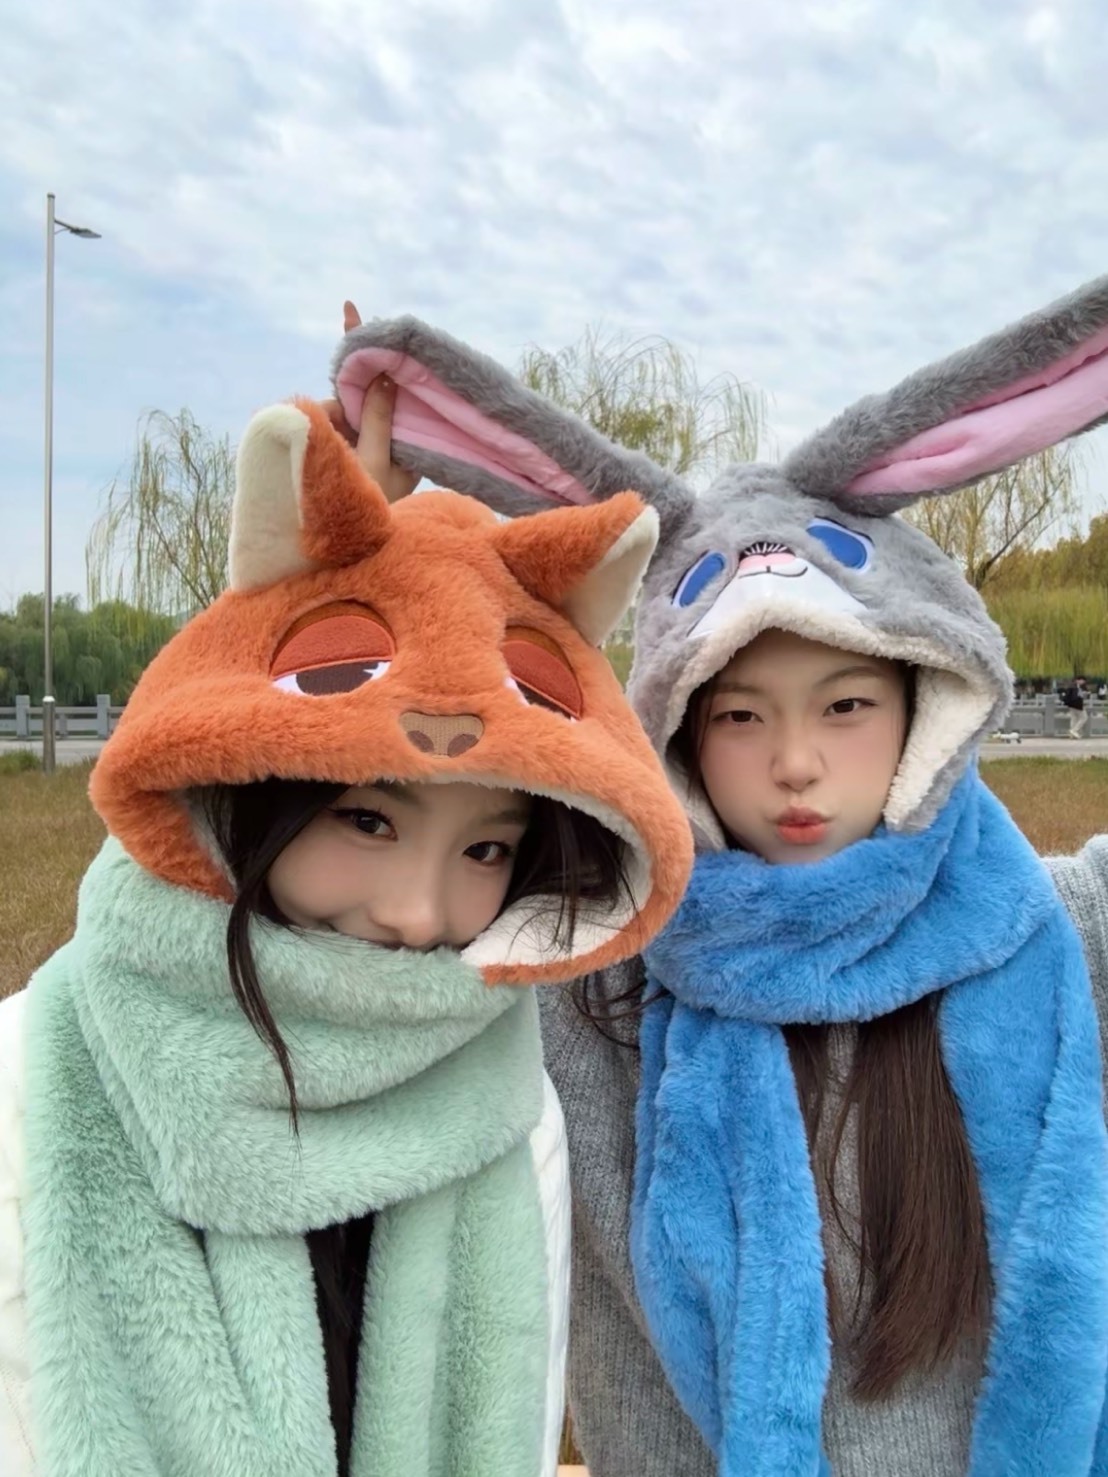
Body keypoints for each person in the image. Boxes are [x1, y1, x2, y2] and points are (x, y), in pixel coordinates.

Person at [326, 271, 1108, 1475]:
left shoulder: (1059, 935)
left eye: (845, 705)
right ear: (677, 734)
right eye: (740, 715)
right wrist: (347, 584)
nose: (795, 763)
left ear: (925, 704)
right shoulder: (595, 983)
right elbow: (309, 950)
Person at [0, 395, 693, 1477]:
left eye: (486, 848)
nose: (418, 913)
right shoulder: (30, 1085)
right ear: (243, 787)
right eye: (366, 820)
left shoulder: (507, 1104)